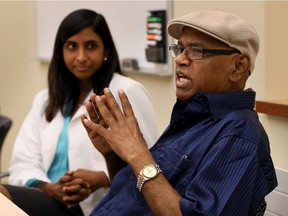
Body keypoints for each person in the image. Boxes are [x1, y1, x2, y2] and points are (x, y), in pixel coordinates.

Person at [80, 10, 278, 216]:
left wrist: (138, 154)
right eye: (181, 48)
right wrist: (113, 154)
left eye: (196, 50)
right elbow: (136, 197)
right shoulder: (195, 116)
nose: (180, 59)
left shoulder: (239, 134)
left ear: (238, 66)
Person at [0, 9, 158, 216]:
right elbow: (24, 161)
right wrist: (48, 187)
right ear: (61, 51)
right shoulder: (46, 99)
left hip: (102, 204)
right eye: (72, 46)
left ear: (106, 51)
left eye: (91, 46)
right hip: (50, 197)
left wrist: (101, 178)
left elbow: (152, 159)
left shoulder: (125, 91)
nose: (81, 57)